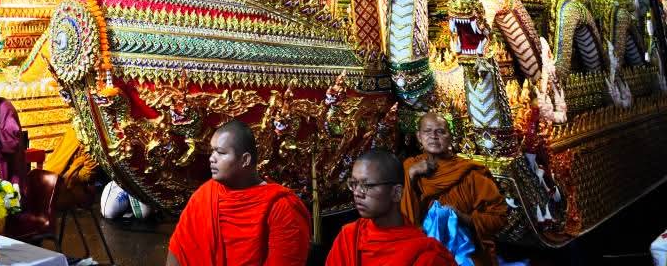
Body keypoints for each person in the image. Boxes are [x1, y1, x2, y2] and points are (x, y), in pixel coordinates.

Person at [167, 119, 311, 266]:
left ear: (245, 160)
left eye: (220, 152)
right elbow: (179, 250)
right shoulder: (205, 195)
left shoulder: (282, 207)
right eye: (212, 151)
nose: (211, 158)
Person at [402, 113, 508, 266]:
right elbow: (398, 215)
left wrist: (463, 217)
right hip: (421, 250)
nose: (434, 136)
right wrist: (411, 174)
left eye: (440, 131)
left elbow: (499, 218)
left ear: (450, 137)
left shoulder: (470, 173)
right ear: (419, 136)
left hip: (466, 253)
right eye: (427, 131)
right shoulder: (409, 167)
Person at [326, 149, 456, 266]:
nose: (357, 193)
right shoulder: (349, 237)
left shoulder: (425, 256)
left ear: (396, 193)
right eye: (354, 184)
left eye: (367, 185)